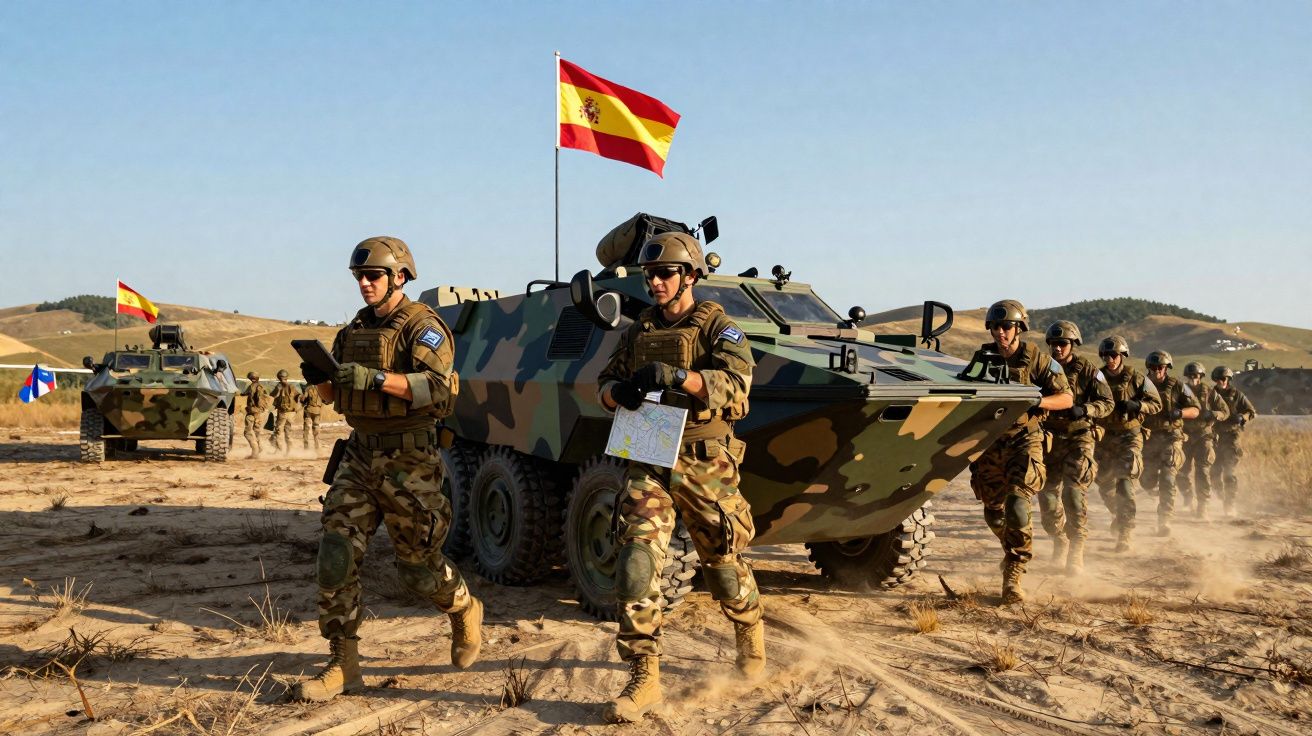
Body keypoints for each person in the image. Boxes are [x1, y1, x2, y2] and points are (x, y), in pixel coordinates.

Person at [291, 236, 482, 702]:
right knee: (336, 555)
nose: (364, 283)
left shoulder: (424, 327)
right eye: (359, 276)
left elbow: (438, 388)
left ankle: (463, 608)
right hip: (359, 455)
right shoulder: (352, 331)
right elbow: (334, 399)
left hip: (409, 462)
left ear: (399, 277)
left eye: (373, 275)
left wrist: (375, 378)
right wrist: (320, 379)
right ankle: (343, 664)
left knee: (418, 571)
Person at [595, 231, 762, 723]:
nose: (656, 282)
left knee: (723, 566)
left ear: (690, 276)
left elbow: (737, 387)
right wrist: (618, 394)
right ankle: (644, 676)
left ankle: (749, 629)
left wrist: (678, 378)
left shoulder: (718, 327)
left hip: (703, 460)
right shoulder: (639, 330)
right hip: (649, 455)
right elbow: (603, 384)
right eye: (650, 275)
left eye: (665, 273)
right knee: (635, 563)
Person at [969, 301, 1072, 603]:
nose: (1000, 332)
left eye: (1006, 327)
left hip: (1025, 438)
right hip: (991, 441)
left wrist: (1038, 401)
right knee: (993, 511)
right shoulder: (982, 358)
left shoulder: (1037, 359)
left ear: (1019, 328)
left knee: (1017, 501)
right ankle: (1013, 545)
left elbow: (1066, 398)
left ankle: (1014, 572)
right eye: (995, 327)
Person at [1037, 321, 1113, 575]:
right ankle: (1059, 539)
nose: (1057, 348)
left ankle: (1076, 547)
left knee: (1073, 493)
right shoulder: (1042, 367)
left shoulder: (1088, 370)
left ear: (1073, 344)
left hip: (1079, 436)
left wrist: (1087, 409)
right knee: (1047, 498)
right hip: (1049, 439)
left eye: (1063, 343)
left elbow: (1107, 402)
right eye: (1054, 344)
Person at [1093, 336, 1162, 552]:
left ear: (1122, 355)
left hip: (1129, 435)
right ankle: (1118, 513)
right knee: (1104, 483)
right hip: (1104, 437)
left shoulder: (1137, 378)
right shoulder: (1096, 377)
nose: (1110, 359)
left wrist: (1138, 405)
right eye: (1106, 355)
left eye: (1114, 355)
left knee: (1125, 481)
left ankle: (1125, 531)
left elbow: (1156, 404)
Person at [1141, 351, 1201, 537]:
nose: (1157, 370)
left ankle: (1164, 520)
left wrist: (1180, 413)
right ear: (1148, 368)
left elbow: (1195, 410)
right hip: (1148, 438)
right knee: (1146, 480)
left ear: (1167, 368)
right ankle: (1153, 489)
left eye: (1161, 367)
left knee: (1168, 478)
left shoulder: (1178, 386)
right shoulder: (1140, 384)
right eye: (1153, 367)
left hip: (1171, 437)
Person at [1178, 362, 1229, 519]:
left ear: (1201, 376)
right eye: (1190, 375)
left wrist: (1214, 414)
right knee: (1181, 471)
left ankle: (1203, 505)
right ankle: (1187, 496)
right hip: (1185, 436)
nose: (1193, 378)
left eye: (1196, 375)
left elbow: (1225, 411)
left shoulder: (1210, 392)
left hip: (1203, 435)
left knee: (1202, 471)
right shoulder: (1180, 391)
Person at [1210, 366, 1257, 516]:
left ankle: (1229, 504)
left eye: (1224, 379)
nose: (1222, 381)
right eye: (1219, 379)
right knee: (1214, 473)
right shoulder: (1210, 394)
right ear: (1215, 380)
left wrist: (1242, 417)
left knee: (1229, 473)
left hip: (1231, 437)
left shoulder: (1237, 395)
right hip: (1214, 437)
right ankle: (1220, 496)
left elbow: (1251, 412)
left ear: (1229, 379)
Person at [240, 371, 270, 459]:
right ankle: (259, 448)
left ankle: (255, 451)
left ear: (251, 378)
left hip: (253, 412)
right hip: (259, 413)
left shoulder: (253, 387)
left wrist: (256, 410)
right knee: (256, 432)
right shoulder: (260, 387)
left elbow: (246, 394)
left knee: (248, 432)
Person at [269, 369, 299, 455]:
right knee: (287, 432)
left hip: (283, 413)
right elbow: (298, 396)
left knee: (279, 431)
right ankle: (288, 451)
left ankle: (280, 450)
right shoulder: (291, 386)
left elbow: (272, 395)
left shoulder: (282, 386)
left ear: (279, 377)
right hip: (290, 413)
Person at [301, 376, 324, 454]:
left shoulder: (308, 388)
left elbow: (303, 399)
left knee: (306, 429)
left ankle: (306, 448)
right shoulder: (321, 388)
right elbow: (326, 400)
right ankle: (317, 447)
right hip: (317, 411)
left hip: (308, 411)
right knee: (316, 429)